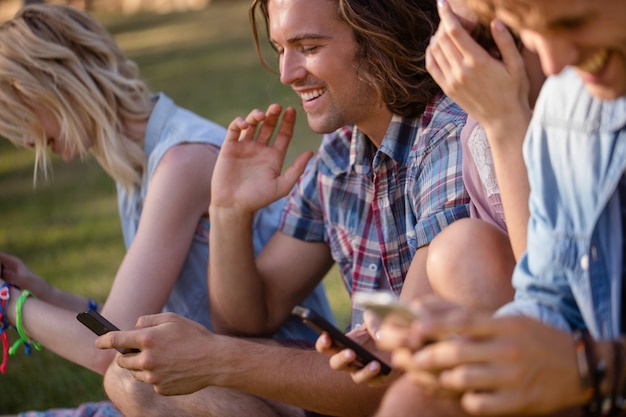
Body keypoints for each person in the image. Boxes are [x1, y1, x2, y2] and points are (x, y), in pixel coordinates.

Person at [95, 0, 471, 415]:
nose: (287, 73)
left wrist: (215, 358)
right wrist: (229, 210)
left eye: (308, 47)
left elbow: (393, 374)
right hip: (361, 392)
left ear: (382, 37)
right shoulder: (341, 152)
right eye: (280, 49)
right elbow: (250, 319)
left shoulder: (448, 139)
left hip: (419, 399)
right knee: (130, 379)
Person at [0, 3, 333, 417]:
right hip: (209, 390)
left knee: (121, 381)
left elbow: (108, 347)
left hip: (279, 390)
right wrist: (37, 291)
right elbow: (117, 326)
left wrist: (9, 304)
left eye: (20, 117)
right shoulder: (139, 167)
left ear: (55, 85)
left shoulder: (182, 162)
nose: (25, 142)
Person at [374, 0, 626, 415]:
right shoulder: (569, 100)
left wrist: (595, 369)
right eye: (528, 30)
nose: (553, 62)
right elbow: (550, 296)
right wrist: (478, 344)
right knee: (415, 403)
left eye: (575, 23)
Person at [424, 0, 545, 313]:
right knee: (457, 250)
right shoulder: (478, 134)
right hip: (542, 324)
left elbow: (555, 289)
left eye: (482, 40)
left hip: (585, 330)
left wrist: (506, 122)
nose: (469, 65)